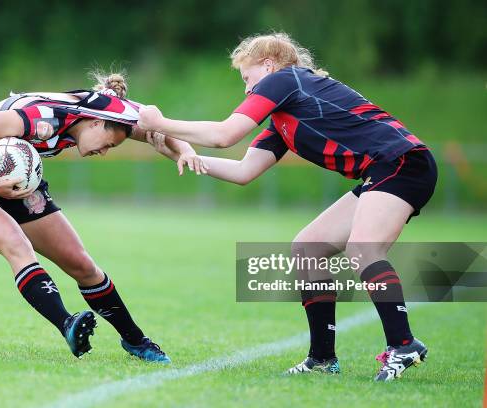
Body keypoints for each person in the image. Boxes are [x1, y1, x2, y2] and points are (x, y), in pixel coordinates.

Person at [138, 33, 437, 380]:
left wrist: (160, 122)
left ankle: (403, 345)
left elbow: (225, 134)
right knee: (308, 248)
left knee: (363, 248)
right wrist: (181, 152)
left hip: (402, 162)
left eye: (248, 79)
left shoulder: (285, 79)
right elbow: (243, 171)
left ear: (268, 65)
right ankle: (323, 360)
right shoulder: (283, 119)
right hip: (383, 170)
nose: (248, 90)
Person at [0, 72, 203, 362]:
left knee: (82, 264)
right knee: (17, 246)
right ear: (97, 122)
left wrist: (185, 151)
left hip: (21, 183)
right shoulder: (44, 119)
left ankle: (137, 341)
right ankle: (67, 324)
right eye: (108, 144)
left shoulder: (108, 113)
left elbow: (158, 129)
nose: (104, 152)